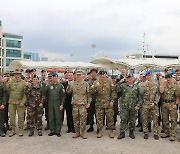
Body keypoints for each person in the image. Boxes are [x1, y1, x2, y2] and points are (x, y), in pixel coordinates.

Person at [91, 70, 116, 138]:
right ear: (99, 75)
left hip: (108, 103)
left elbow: (113, 92)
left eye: (103, 74)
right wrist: (95, 87)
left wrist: (112, 101)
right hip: (99, 104)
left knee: (110, 118)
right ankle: (100, 131)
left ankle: (111, 131)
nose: (102, 76)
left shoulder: (109, 81)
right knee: (99, 118)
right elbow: (91, 92)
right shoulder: (96, 82)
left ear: (106, 75)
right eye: (101, 75)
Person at [67, 70, 91, 139]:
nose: (78, 76)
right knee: (75, 119)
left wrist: (89, 103)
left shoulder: (86, 84)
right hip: (75, 104)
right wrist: (69, 85)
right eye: (77, 75)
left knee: (83, 119)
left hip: (83, 104)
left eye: (80, 75)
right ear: (75, 76)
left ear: (82, 76)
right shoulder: (73, 84)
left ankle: (82, 133)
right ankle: (77, 132)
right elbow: (68, 92)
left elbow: (89, 94)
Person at [115, 74, 139, 139]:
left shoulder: (137, 87)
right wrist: (120, 81)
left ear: (133, 78)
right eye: (128, 78)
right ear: (127, 79)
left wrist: (138, 105)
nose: (130, 79)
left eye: (131, 78)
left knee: (132, 120)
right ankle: (122, 133)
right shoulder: (123, 86)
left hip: (133, 107)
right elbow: (115, 89)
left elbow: (140, 97)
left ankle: (131, 132)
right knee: (123, 119)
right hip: (124, 107)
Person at [5, 69, 26, 137]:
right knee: (12, 116)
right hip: (11, 102)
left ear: (20, 75)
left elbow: (25, 94)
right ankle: (13, 129)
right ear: (14, 75)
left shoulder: (23, 82)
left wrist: (23, 102)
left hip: (20, 102)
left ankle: (21, 129)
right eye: (15, 74)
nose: (17, 75)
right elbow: (6, 88)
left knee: (20, 116)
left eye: (18, 74)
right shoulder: (11, 82)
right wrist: (4, 82)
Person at [139, 71, 160, 140]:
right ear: (146, 77)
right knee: (144, 119)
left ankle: (155, 133)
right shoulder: (142, 84)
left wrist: (155, 102)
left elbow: (158, 94)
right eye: (147, 76)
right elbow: (141, 93)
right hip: (145, 104)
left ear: (152, 76)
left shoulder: (156, 84)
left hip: (154, 104)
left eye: (150, 75)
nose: (148, 77)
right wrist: (145, 85)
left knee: (155, 119)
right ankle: (145, 132)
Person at [160, 73, 180, 141]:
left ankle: (173, 134)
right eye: (167, 78)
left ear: (171, 78)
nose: (168, 79)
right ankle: (166, 132)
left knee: (173, 120)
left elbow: (178, 96)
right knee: (165, 119)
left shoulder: (175, 86)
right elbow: (161, 91)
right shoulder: (163, 86)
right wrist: (163, 84)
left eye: (169, 78)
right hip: (165, 104)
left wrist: (176, 104)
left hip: (172, 104)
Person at [44, 72, 65, 137]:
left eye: (52, 77)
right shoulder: (49, 85)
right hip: (50, 104)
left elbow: (63, 96)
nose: (51, 78)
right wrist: (45, 85)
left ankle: (58, 131)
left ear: (56, 77)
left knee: (58, 117)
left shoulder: (60, 86)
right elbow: (43, 93)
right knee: (51, 117)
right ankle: (52, 130)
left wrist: (62, 104)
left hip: (57, 104)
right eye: (50, 77)